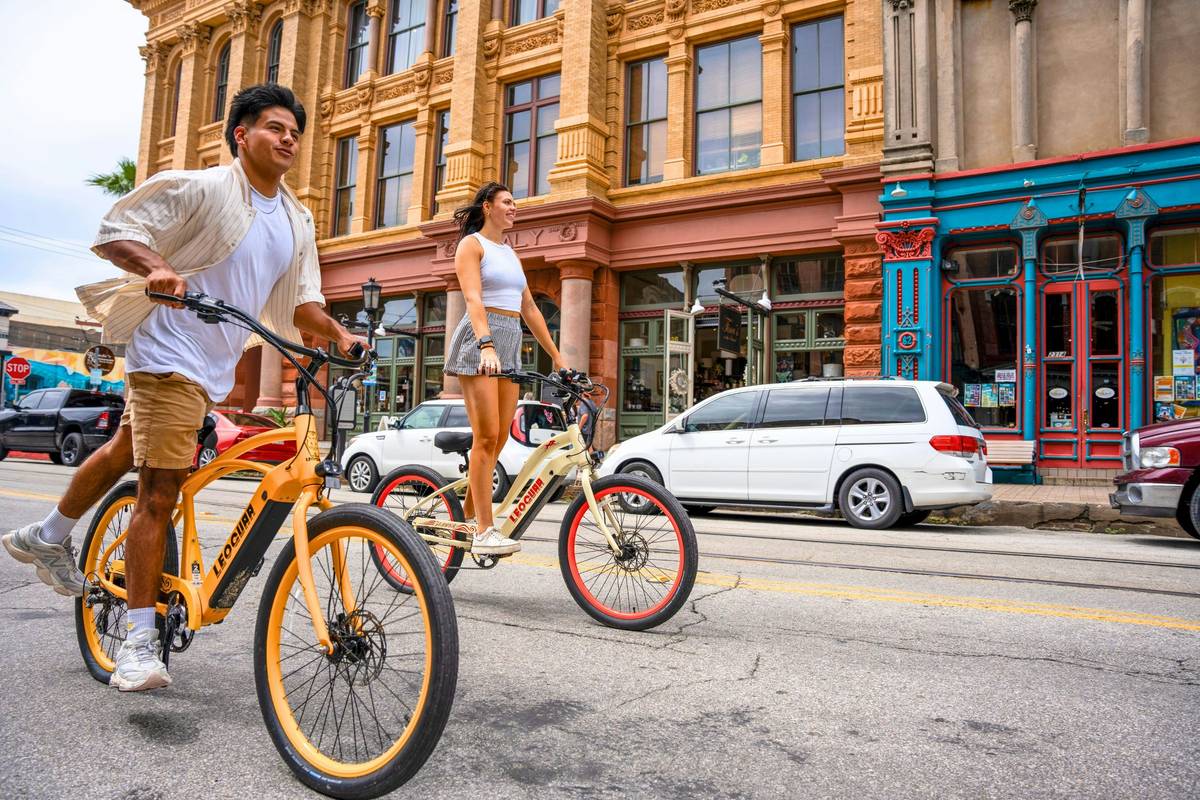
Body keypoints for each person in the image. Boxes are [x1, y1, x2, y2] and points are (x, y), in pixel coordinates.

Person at [2, 84, 364, 692]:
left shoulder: (297, 219)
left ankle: (46, 536)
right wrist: (158, 268)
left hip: (215, 365)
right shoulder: (205, 188)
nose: (289, 139)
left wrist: (340, 335)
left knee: (125, 449)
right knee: (160, 488)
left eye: (295, 131)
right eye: (275, 127)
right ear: (241, 134)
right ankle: (141, 645)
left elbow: (302, 303)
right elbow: (116, 228)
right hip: (167, 351)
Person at [444, 182, 567, 555]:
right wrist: (485, 344)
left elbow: (529, 308)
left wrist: (560, 361)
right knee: (486, 436)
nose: (514, 208)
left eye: (515, 203)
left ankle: (464, 517)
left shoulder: (510, 253)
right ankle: (484, 529)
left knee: (498, 441)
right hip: (480, 341)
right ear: (487, 206)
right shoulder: (472, 245)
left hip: (510, 341)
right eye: (508, 202)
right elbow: (473, 297)